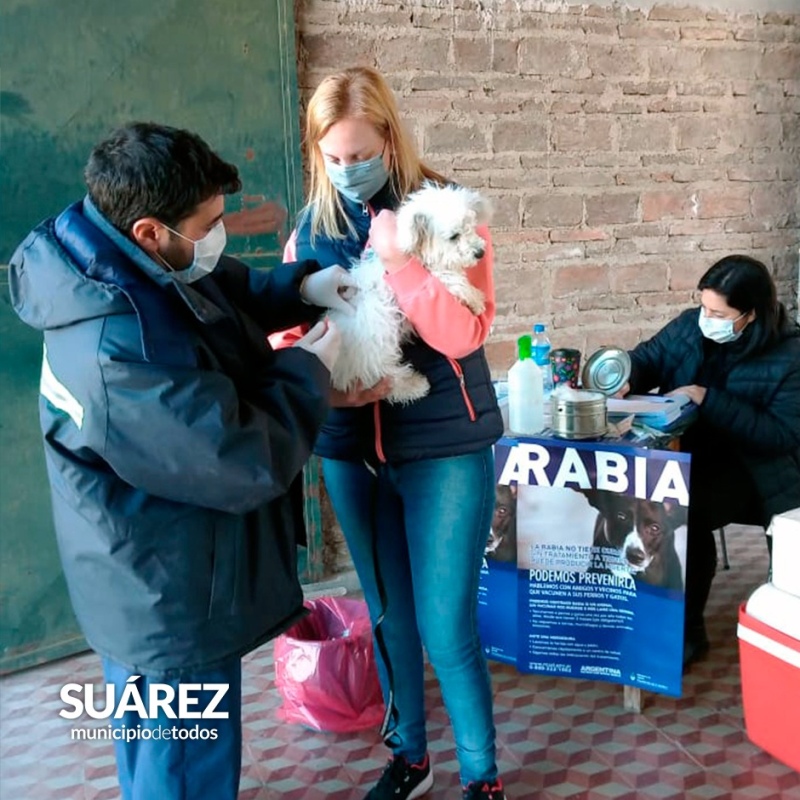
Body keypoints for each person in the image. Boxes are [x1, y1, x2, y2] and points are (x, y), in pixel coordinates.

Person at [8, 122, 356, 800]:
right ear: (149, 231)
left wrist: (298, 289)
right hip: (166, 594)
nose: (218, 236)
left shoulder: (105, 260)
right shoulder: (119, 352)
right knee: (183, 769)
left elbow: (217, 290)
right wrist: (310, 369)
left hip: (142, 577)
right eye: (209, 224)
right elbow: (241, 458)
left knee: (156, 755)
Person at [283, 66, 506, 800]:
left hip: (443, 445)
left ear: (388, 137)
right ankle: (409, 757)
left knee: (446, 628)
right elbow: (292, 335)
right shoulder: (310, 227)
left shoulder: (447, 209)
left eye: (360, 153)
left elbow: (462, 333)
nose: (349, 171)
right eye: (334, 158)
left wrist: (401, 260)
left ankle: (481, 779)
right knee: (388, 618)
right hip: (352, 449)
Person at [620, 254, 800, 665]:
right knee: (661, 494)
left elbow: (781, 435)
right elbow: (649, 357)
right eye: (704, 307)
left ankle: (687, 634)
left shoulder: (790, 355)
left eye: (718, 313)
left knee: (685, 507)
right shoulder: (689, 326)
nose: (706, 317)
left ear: (750, 315)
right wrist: (626, 373)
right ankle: (665, 621)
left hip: (761, 471)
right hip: (693, 454)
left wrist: (707, 398)